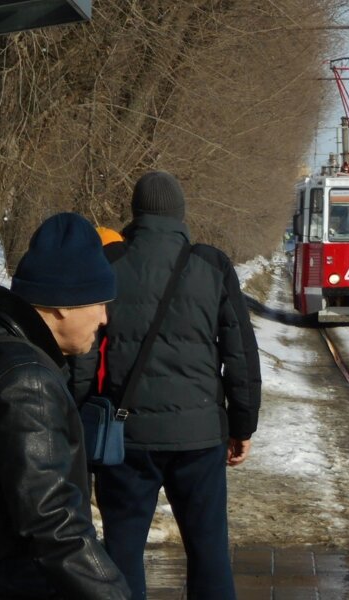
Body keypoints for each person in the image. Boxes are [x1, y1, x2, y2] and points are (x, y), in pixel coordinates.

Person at [87, 171, 262, 599]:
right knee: (208, 552)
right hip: (199, 438)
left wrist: (81, 419)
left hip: (126, 440)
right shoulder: (211, 265)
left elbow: (86, 354)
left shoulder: (109, 264)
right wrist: (243, 426)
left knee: (122, 553)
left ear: (136, 214)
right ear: (180, 215)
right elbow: (240, 354)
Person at [0, 213, 130, 598]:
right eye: (98, 303)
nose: (103, 318)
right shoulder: (26, 381)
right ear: (64, 303)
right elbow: (54, 523)